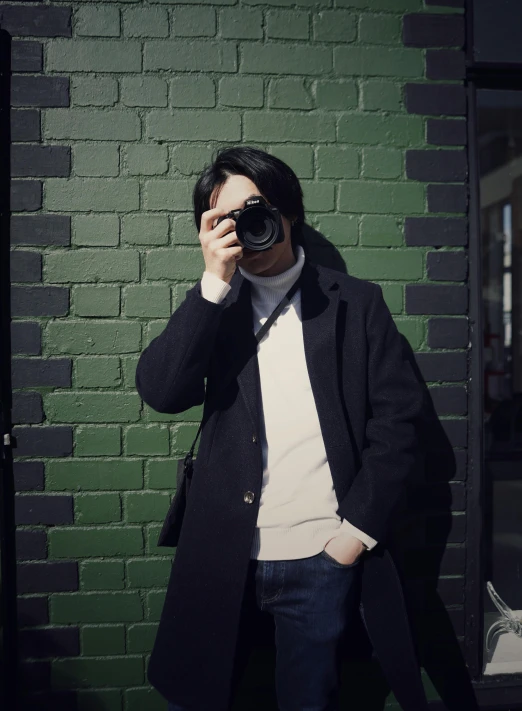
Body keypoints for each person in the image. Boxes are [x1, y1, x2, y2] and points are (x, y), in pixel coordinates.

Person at [135, 145, 429, 711]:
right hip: (222, 554)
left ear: (288, 212)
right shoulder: (212, 305)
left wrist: (352, 537)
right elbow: (162, 392)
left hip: (321, 556)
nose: (244, 227)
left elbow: (399, 423)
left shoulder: (357, 305)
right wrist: (212, 283)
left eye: (255, 209)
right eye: (224, 218)